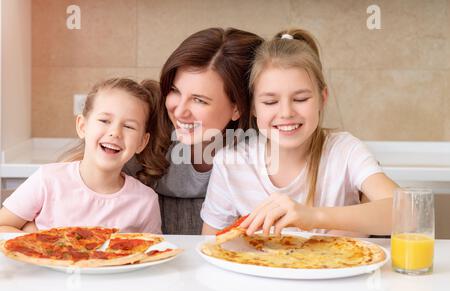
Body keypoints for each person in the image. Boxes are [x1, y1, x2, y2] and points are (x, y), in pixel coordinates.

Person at [200, 29, 398, 237]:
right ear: (253, 107)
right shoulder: (230, 162)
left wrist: (314, 217)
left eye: (301, 99)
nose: (286, 113)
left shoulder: (345, 151)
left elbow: (409, 213)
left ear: (323, 98)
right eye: (270, 102)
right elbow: (210, 244)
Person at [126, 27, 263, 234]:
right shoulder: (144, 130)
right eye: (175, 91)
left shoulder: (261, 155)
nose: (179, 111)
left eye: (199, 100)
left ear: (238, 107)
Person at [0, 78, 162, 233]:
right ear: (82, 126)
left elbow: (154, 253)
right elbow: (3, 226)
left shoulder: (145, 201)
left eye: (128, 126)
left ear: (142, 142)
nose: (115, 133)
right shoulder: (47, 180)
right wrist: (39, 239)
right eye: (105, 120)